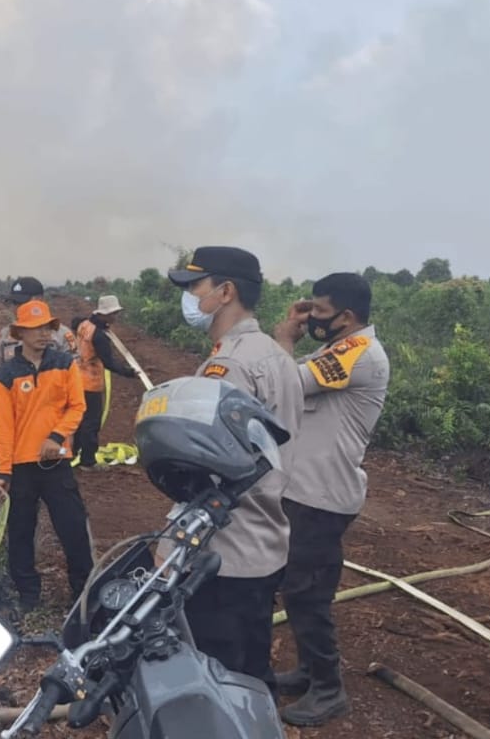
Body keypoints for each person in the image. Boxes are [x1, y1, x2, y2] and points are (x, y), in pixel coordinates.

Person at [167, 247, 302, 691]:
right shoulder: (277, 357)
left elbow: (208, 465)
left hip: (223, 552)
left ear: (225, 292)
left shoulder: (231, 366)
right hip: (264, 543)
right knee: (251, 671)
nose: (189, 297)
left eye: (195, 287)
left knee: (215, 682)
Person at [268, 272, 390, 728]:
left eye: (319, 311)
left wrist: (284, 337)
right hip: (305, 490)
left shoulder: (358, 353)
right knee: (298, 588)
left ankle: (329, 688)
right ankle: (308, 671)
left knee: (307, 593)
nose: (312, 317)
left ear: (348, 316)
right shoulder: (337, 348)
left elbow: (285, 384)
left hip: (323, 495)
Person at [0, 297, 94, 613]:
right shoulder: (5, 375)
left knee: (73, 528)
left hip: (56, 463)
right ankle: (28, 597)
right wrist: (4, 471)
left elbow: (78, 406)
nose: (43, 334)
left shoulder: (63, 364)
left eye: (47, 327)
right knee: (20, 535)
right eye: (35, 329)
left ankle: (83, 593)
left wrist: (57, 436)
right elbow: (2, 426)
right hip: (21, 468)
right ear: (19, 334)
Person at [0, 276, 76, 436]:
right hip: (15, 420)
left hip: (52, 422)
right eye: (14, 303)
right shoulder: (5, 336)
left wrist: (67, 432)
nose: (16, 308)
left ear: (40, 300)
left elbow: (73, 387)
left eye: (21, 302)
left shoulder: (62, 336)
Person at [71, 294, 137, 468]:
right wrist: (129, 373)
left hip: (77, 379)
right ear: (103, 314)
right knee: (91, 422)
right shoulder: (99, 335)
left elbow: (74, 323)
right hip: (90, 383)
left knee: (79, 420)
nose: (115, 317)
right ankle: (88, 461)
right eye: (113, 313)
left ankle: (73, 453)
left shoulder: (84, 325)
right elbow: (109, 362)